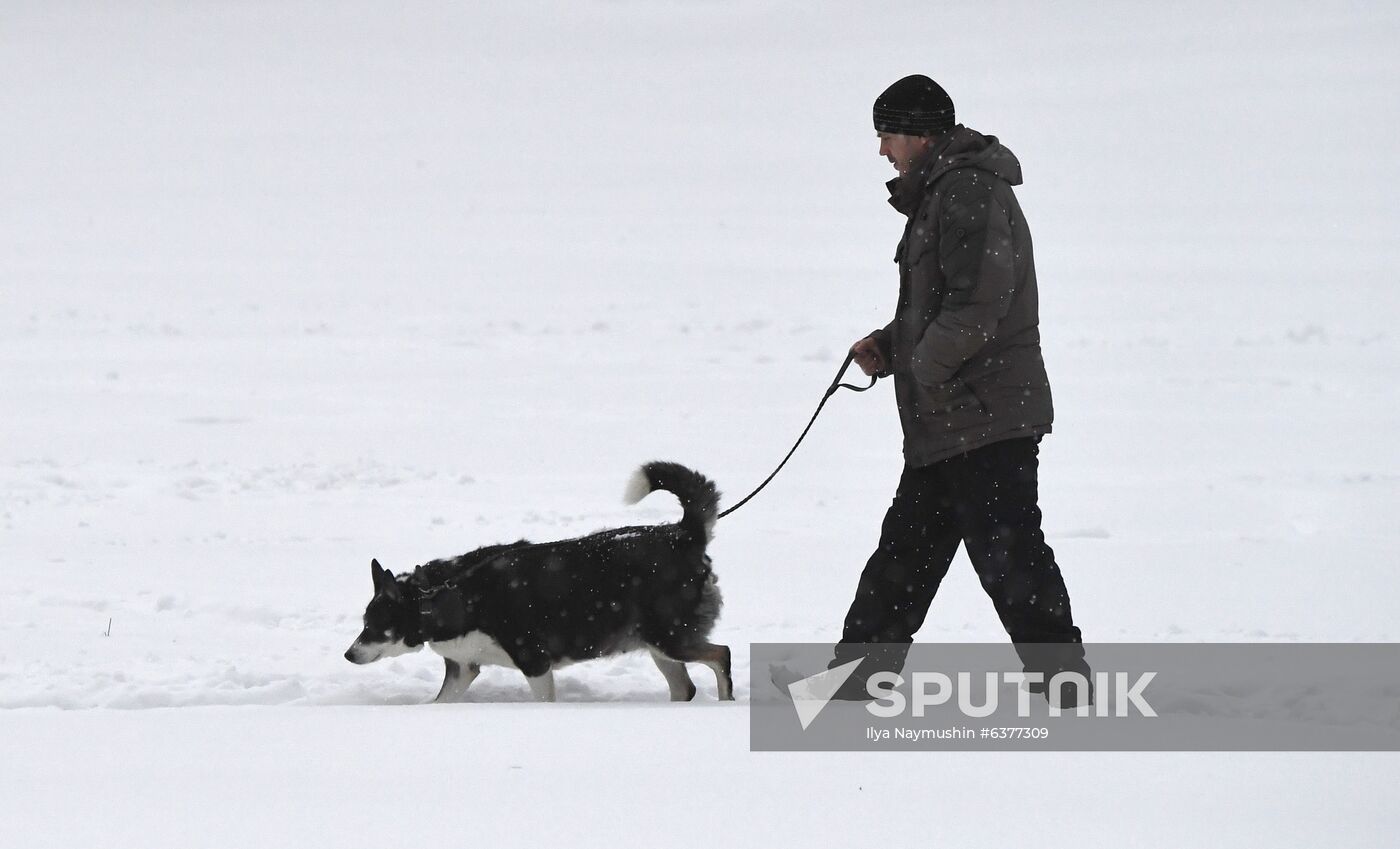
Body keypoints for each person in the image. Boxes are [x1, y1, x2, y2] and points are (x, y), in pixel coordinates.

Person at [835, 74, 1090, 703]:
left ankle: (1066, 692)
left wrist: (922, 368)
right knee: (905, 555)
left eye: (887, 134)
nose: (882, 149)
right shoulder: (945, 192)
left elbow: (980, 303)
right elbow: (944, 304)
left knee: (1009, 555)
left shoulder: (969, 191)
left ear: (920, 136)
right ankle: (854, 686)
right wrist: (891, 346)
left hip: (984, 415)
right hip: (951, 417)